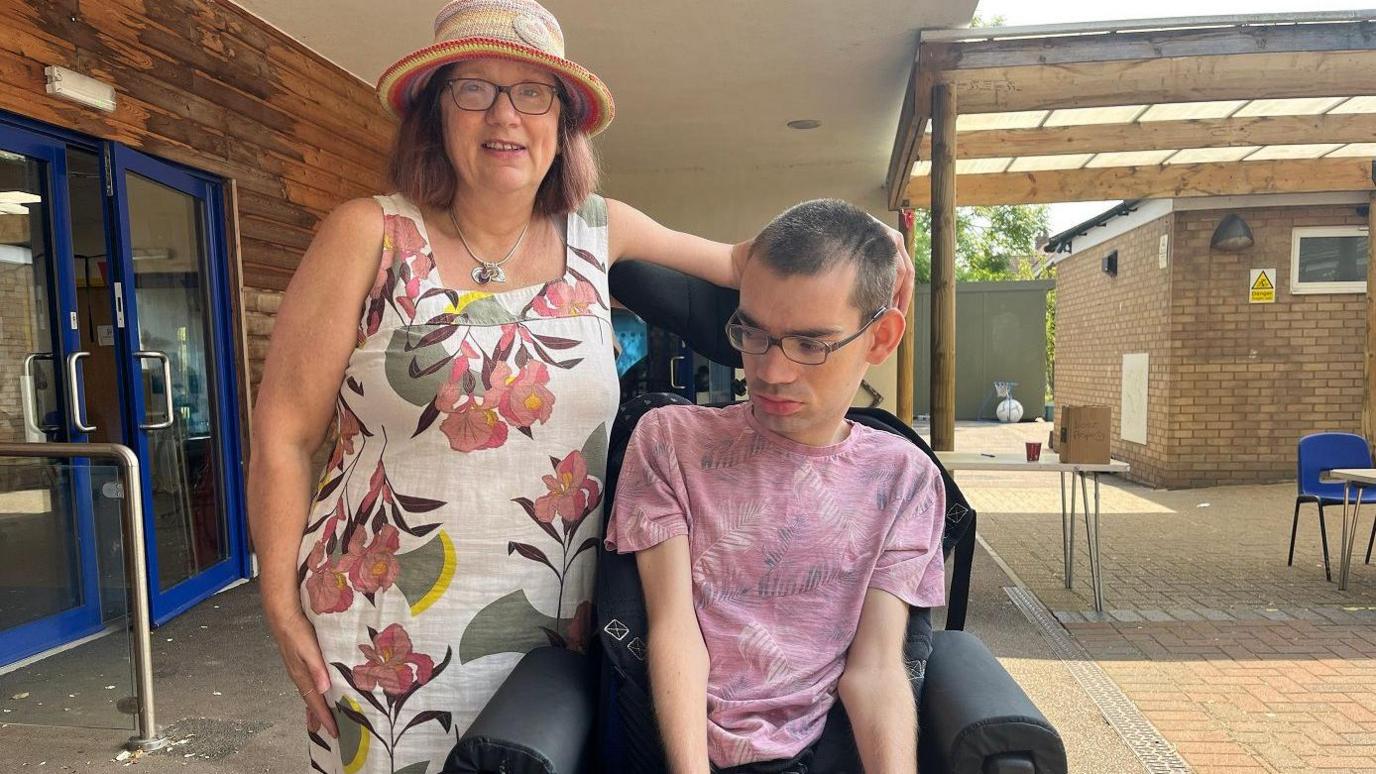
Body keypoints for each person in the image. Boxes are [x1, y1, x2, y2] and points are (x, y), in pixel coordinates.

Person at [248, 1, 914, 770]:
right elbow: (284, 432)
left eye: (533, 93)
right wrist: (276, 599)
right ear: (435, 112)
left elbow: (748, 260)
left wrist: (870, 239)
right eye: (474, 89)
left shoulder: (601, 231)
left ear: (563, 122)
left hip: (559, 625)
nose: (505, 114)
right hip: (380, 626)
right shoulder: (369, 232)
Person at [606, 199, 946, 774]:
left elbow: (878, 668)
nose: (770, 371)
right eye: (752, 333)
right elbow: (673, 629)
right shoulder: (669, 442)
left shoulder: (904, 479)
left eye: (811, 344)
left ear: (881, 338)